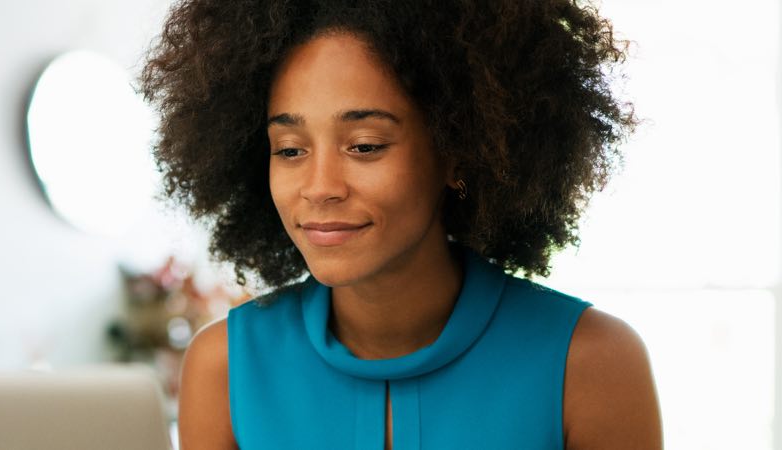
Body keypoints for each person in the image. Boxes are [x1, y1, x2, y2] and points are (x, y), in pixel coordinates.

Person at [137, 0, 663, 449]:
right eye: (290, 149)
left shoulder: (589, 363)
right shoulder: (225, 369)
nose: (320, 186)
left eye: (365, 145)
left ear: (457, 151)